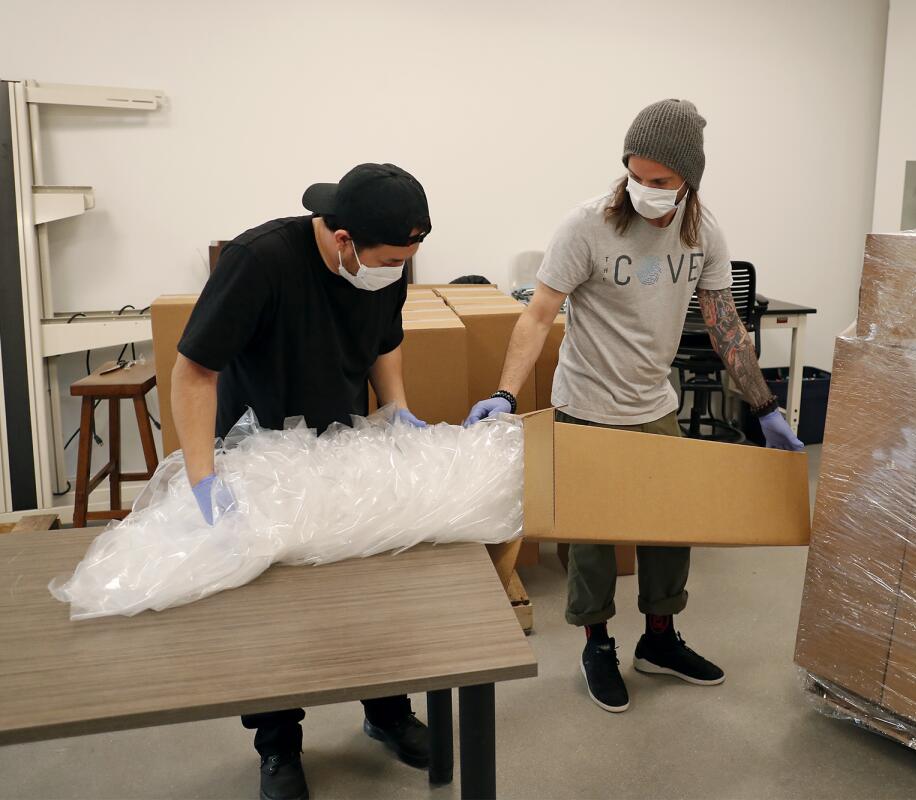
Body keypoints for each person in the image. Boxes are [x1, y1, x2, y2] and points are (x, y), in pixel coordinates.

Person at [464, 99, 805, 714]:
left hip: (653, 402)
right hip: (587, 401)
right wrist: (505, 394)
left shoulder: (704, 232)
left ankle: (659, 640)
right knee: (593, 542)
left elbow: (724, 321)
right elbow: (539, 313)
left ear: (688, 182)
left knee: (670, 529)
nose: (644, 190)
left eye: (660, 182)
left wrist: (763, 407)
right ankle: (597, 646)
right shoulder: (586, 226)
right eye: (635, 175)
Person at [173, 163, 432, 800]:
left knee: (370, 585)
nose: (398, 269)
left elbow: (385, 338)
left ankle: (387, 711)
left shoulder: (385, 264)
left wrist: (395, 406)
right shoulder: (259, 261)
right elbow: (194, 371)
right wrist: (205, 480)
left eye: (409, 256)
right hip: (258, 449)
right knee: (273, 607)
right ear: (344, 240)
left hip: (340, 443)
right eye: (391, 258)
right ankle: (279, 745)